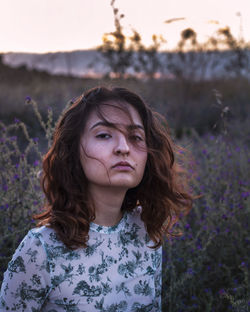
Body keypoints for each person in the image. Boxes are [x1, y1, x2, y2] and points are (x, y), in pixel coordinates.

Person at [0, 86, 192, 311]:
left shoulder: (146, 231)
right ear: (74, 151)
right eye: (104, 135)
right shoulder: (41, 249)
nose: (123, 148)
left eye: (136, 137)